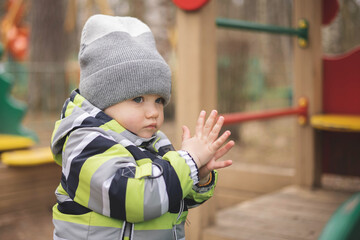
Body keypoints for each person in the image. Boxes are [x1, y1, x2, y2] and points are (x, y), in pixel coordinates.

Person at [50, 14, 234, 240]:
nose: (153, 112)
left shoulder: (155, 141)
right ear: (102, 99)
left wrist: (198, 176)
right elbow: (135, 198)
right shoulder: (84, 142)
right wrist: (188, 162)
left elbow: (169, 195)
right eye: (138, 99)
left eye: (158, 100)